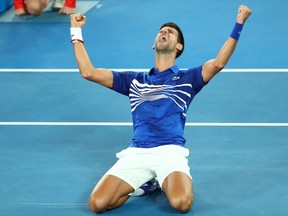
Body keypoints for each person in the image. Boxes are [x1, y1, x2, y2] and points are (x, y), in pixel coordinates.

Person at [70, 5, 252, 213]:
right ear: (153, 44)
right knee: (98, 204)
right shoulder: (134, 81)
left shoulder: (188, 79)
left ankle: (159, 181)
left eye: (170, 32)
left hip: (170, 152)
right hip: (137, 153)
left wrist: (239, 24)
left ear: (179, 47)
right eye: (161, 30)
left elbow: (218, 63)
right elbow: (88, 72)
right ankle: (146, 185)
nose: (163, 32)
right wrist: (76, 31)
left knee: (182, 204)